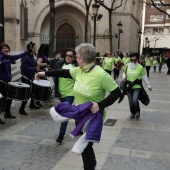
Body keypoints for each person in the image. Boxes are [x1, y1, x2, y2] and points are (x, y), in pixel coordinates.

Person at [35, 43, 121, 170]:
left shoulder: (101, 75)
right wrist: (44, 73)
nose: (75, 58)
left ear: (82, 58)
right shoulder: (79, 71)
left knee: (85, 146)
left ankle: (89, 166)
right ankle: (92, 162)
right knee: (86, 145)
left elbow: (116, 92)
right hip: (79, 114)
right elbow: (63, 72)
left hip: (93, 117)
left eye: (76, 56)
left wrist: (100, 105)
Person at [0, 43, 31, 123]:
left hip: (7, 82)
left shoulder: (7, 56)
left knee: (9, 97)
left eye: (7, 48)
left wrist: (28, 51)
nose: (6, 49)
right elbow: (1, 61)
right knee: (2, 99)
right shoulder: (1, 56)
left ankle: (7, 113)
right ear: (1, 50)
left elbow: (18, 56)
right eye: (4, 48)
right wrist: (9, 61)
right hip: (1, 82)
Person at [54, 48, 78, 144]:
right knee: (65, 112)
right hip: (61, 93)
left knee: (65, 113)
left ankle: (61, 135)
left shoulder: (76, 67)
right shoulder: (60, 65)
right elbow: (54, 74)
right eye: (67, 55)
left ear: (73, 58)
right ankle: (78, 124)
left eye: (70, 56)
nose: (68, 57)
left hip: (70, 94)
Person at [122, 53, 152, 119]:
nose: (133, 62)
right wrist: (124, 77)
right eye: (131, 60)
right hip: (128, 87)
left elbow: (144, 77)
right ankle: (132, 113)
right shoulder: (127, 66)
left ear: (138, 59)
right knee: (130, 102)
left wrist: (148, 85)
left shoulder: (140, 67)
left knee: (135, 100)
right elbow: (124, 72)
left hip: (137, 87)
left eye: (134, 60)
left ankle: (137, 112)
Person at [19, 42, 41, 115]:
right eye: (34, 48)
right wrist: (34, 69)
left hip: (31, 77)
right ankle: (21, 109)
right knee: (26, 94)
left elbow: (34, 65)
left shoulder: (32, 56)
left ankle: (32, 104)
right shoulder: (25, 57)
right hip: (26, 78)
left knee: (33, 92)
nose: (35, 49)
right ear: (30, 48)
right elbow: (24, 68)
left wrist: (38, 69)